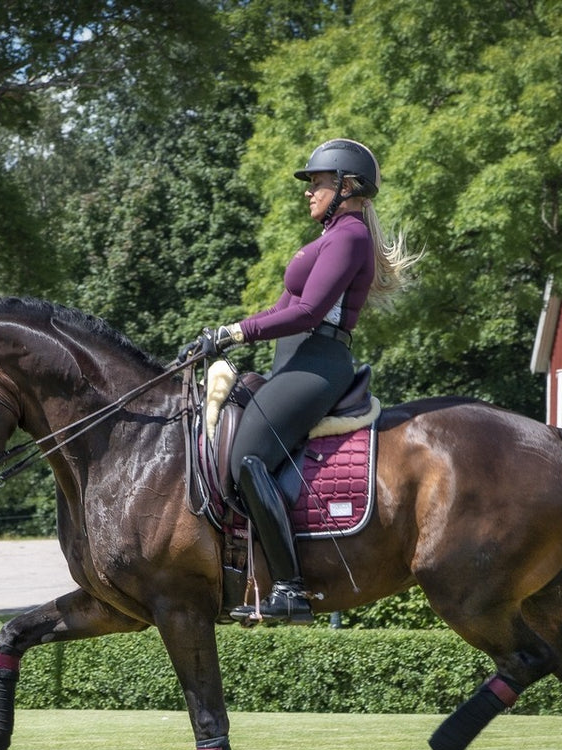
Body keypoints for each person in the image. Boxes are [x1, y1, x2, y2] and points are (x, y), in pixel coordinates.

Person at [177, 138, 417, 625]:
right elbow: (283, 310)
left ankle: (289, 588)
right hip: (295, 358)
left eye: (318, 183)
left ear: (347, 188)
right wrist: (222, 335)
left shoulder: (349, 237)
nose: (309, 192)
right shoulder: (331, 238)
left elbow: (307, 313)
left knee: (248, 456)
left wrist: (236, 332)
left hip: (318, 362)